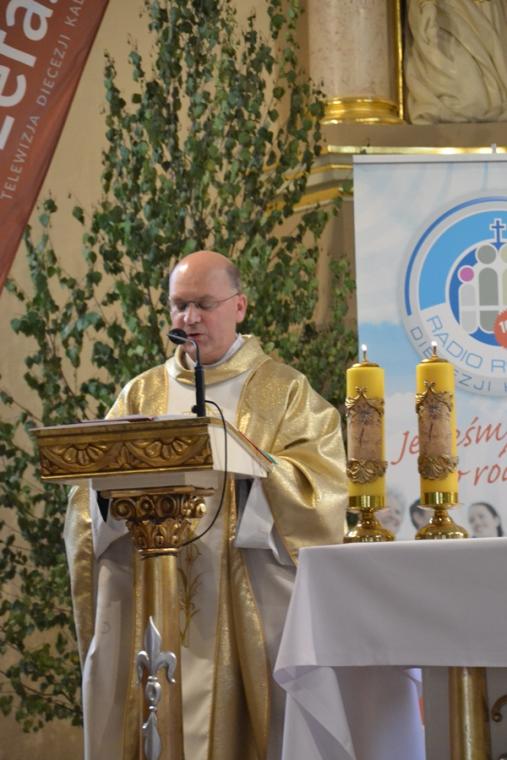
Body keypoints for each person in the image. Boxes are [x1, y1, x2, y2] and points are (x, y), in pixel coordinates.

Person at [64, 250, 348, 760]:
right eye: (179, 305)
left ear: (239, 306)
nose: (189, 318)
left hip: (243, 598)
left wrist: (251, 475)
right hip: (151, 594)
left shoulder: (285, 391)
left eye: (203, 304)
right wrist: (109, 496)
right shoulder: (141, 393)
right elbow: (88, 500)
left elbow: (318, 489)